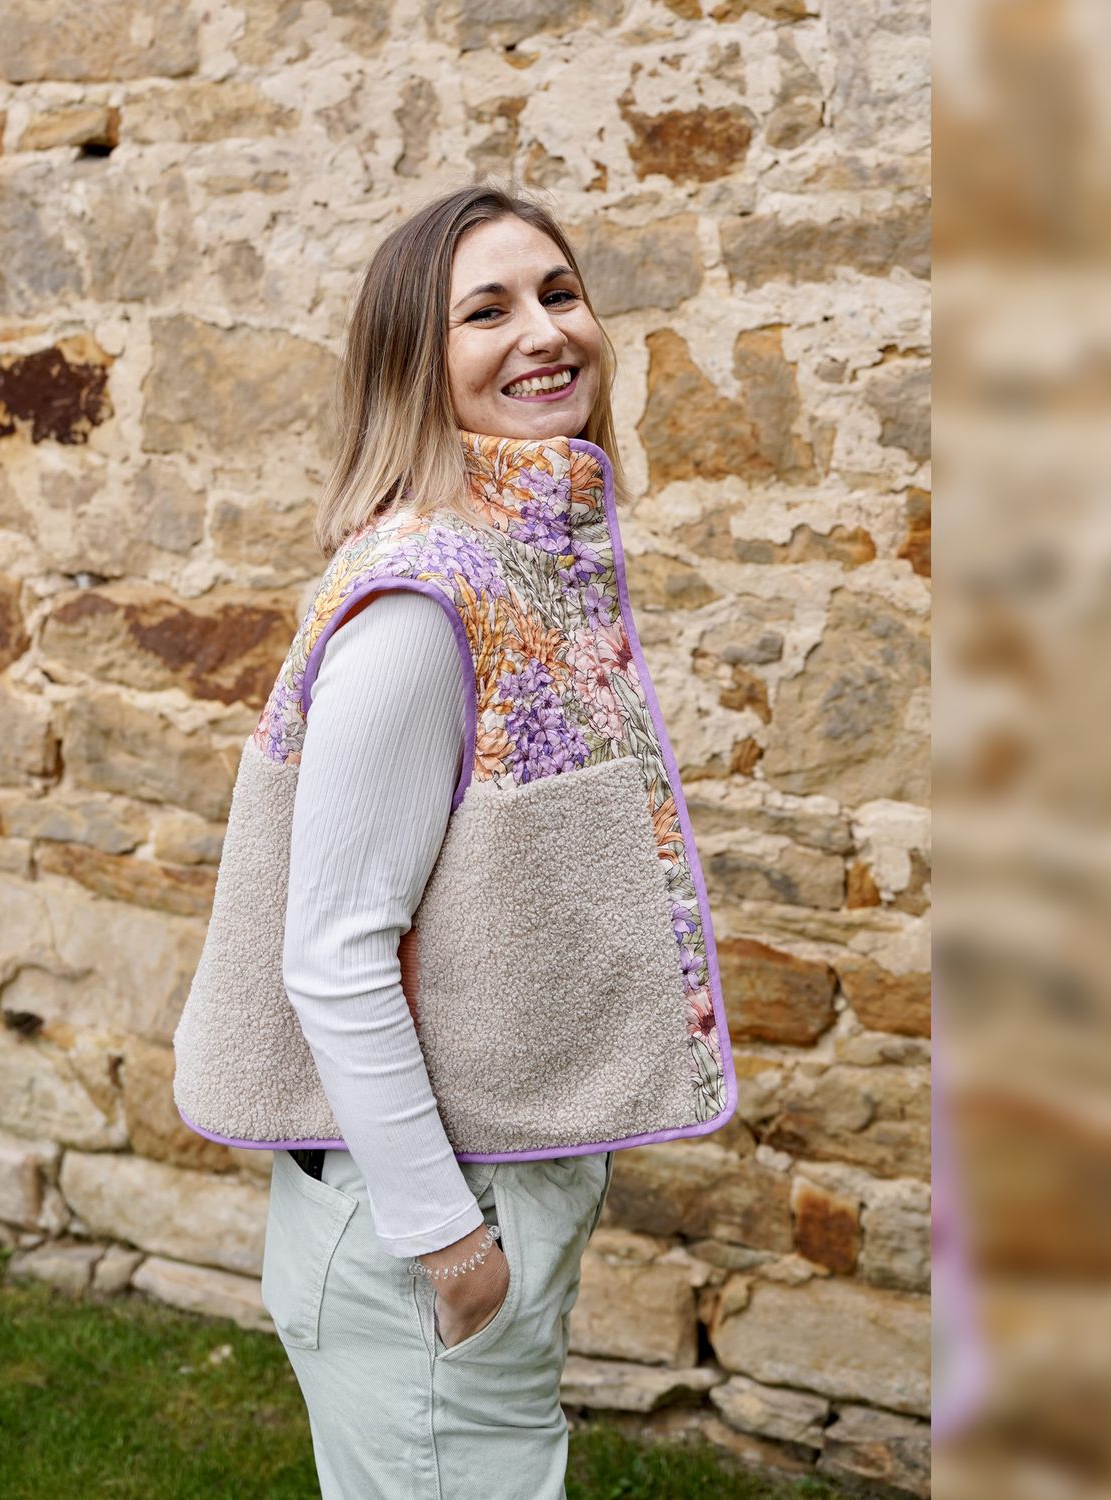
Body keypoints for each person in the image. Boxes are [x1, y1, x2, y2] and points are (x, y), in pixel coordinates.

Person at [172, 180, 735, 1498]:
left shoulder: (525, 567)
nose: (544, 332)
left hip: (470, 1197)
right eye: (486, 312)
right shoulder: (423, 605)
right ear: (415, 366)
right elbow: (334, 953)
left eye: (559, 293)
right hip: (420, 1228)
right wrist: (452, 1246)